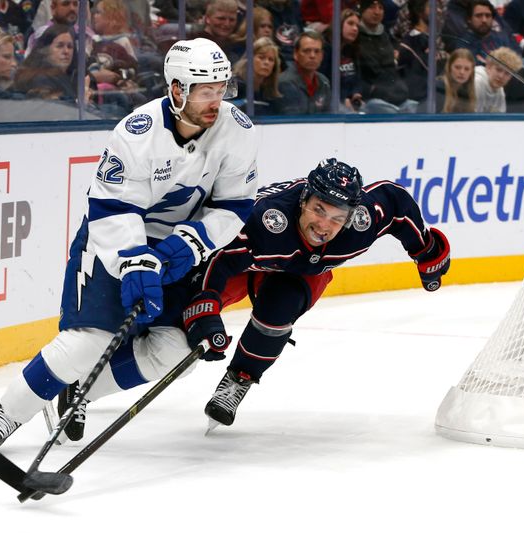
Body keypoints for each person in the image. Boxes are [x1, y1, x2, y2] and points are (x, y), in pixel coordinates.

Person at [0, 37, 260, 449]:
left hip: (180, 251)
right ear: (177, 89)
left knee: (177, 351)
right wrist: (136, 261)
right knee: (90, 341)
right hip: (116, 243)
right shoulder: (136, 132)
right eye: (204, 91)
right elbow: (111, 209)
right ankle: (9, 413)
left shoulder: (238, 131)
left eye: (221, 89)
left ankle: (80, 393)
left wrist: (192, 242)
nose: (215, 101)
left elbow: (234, 205)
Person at [188, 158, 450, 428]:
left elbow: (396, 204)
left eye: (337, 217)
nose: (324, 225)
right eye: (319, 210)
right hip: (244, 263)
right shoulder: (264, 220)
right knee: (183, 314)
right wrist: (203, 308)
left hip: (303, 271)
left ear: (350, 216)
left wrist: (425, 250)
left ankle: (239, 379)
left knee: (278, 311)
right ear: (304, 199)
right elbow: (217, 260)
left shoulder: (362, 222)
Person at [357, 0, 417, 113]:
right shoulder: (356, 38)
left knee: (415, 106)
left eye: (380, 8)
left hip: (393, 93)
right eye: (372, 7)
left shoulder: (385, 36)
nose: (377, 12)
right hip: (371, 98)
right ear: (362, 10)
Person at [320, 8, 364, 111]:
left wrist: (356, 93)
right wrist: (343, 99)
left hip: (350, 100)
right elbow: (324, 82)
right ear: (338, 24)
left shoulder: (351, 49)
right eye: (350, 23)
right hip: (332, 102)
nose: (355, 29)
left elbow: (357, 77)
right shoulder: (325, 49)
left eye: (357, 26)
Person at [278, 30, 331, 114]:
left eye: (317, 51)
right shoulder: (285, 83)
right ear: (295, 54)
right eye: (307, 51)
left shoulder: (324, 82)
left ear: (322, 56)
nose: (312, 56)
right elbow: (292, 121)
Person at [453, 0, 520, 65]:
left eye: (488, 16)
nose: (484, 20)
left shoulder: (501, 37)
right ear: (469, 19)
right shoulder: (464, 44)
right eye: (479, 16)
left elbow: (517, 53)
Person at [231, 36, 284, 115]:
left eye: (271, 60)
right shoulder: (234, 86)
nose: (266, 62)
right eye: (261, 57)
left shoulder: (270, 94)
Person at [474, 46, 522, 112]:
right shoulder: (476, 82)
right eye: (498, 70)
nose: (501, 76)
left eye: (507, 73)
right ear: (488, 67)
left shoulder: (500, 91)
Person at [436, 47, 476, 113]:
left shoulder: (467, 92)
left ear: (472, 72)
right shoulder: (438, 89)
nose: (462, 72)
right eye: (457, 67)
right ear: (449, 67)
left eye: (467, 69)